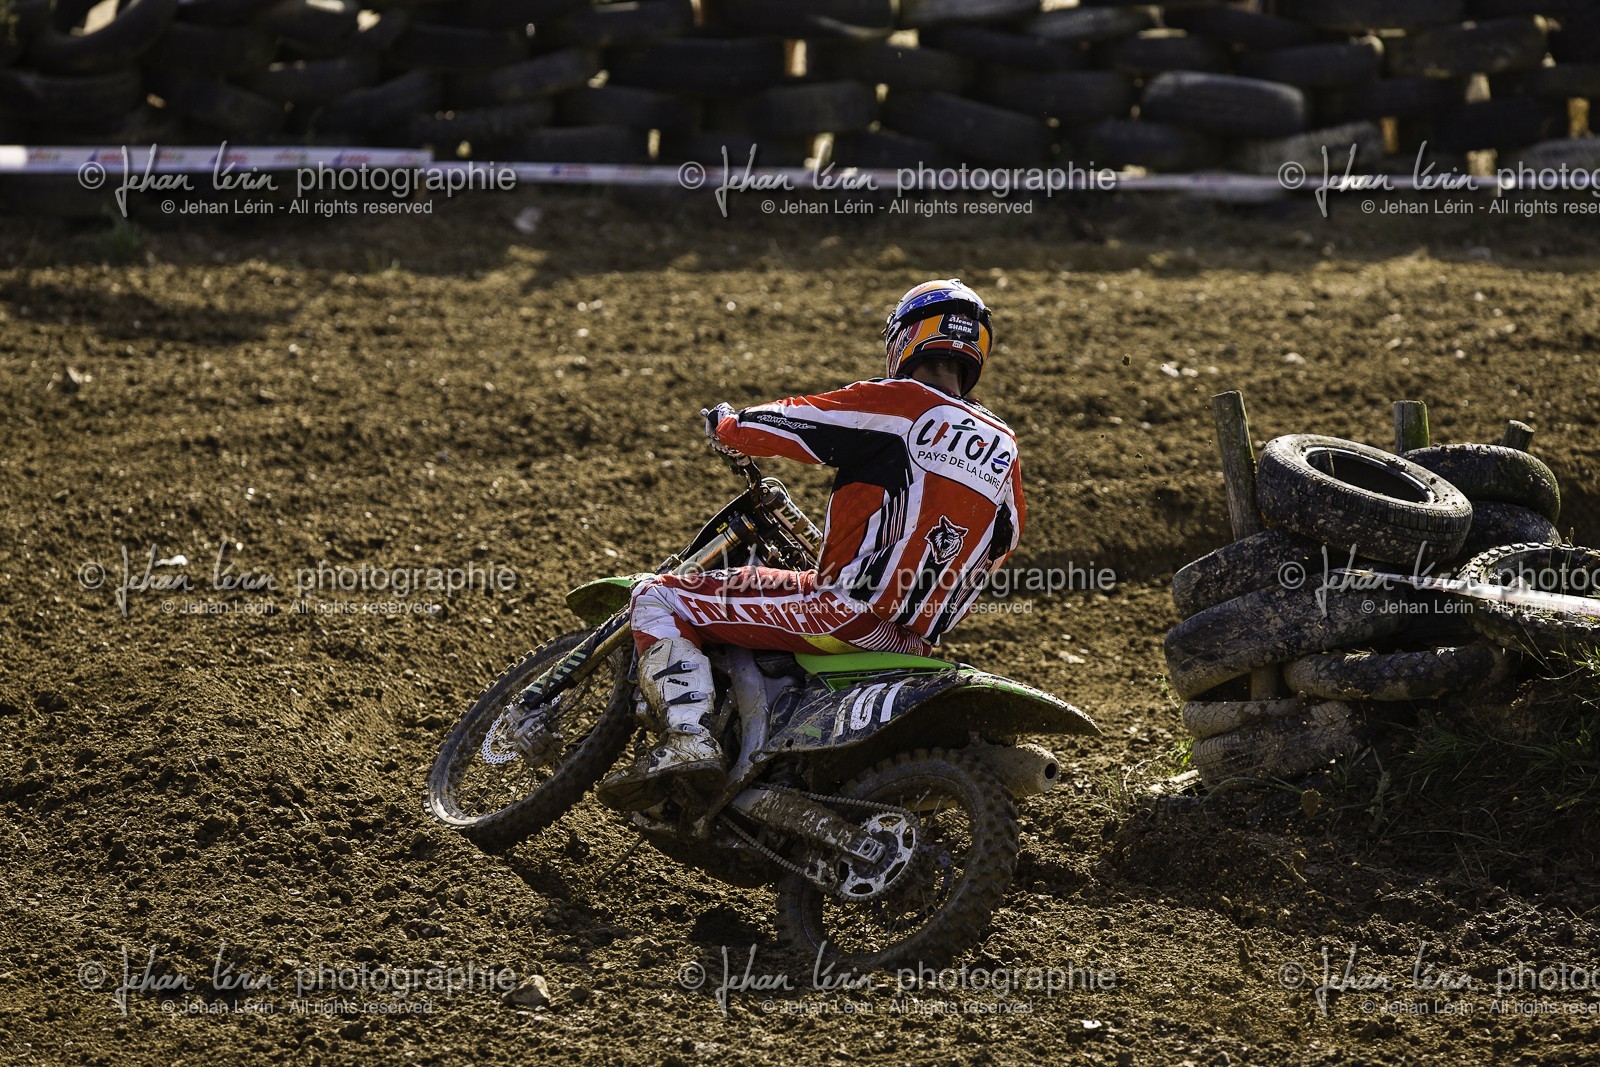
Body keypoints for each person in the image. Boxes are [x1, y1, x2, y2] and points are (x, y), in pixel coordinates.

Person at [598, 279, 1025, 807]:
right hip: (912, 645)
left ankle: (690, 738)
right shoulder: (1004, 445)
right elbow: (1003, 542)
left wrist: (730, 425)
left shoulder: (901, 403)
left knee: (655, 596)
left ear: (907, 337)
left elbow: (802, 421)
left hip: (842, 611)